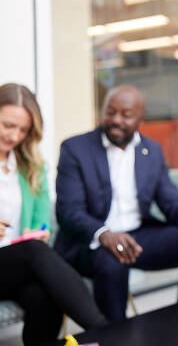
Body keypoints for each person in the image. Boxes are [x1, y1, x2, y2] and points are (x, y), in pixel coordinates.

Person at [54, 85, 178, 322]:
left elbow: (170, 200)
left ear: (141, 119)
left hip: (138, 236)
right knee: (113, 259)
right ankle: (115, 336)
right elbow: (69, 212)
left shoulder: (151, 150)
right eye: (110, 112)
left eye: (126, 115)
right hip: (90, 243)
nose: (116, 120)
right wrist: (104, 234)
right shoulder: (75, 149)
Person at [0, 83, 106, 345]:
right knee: (34, 252)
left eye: (23, 130)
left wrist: (39, 230)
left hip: (14, 265)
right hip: (20, 259)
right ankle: (106, 333)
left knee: (44, 298)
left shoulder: (30, 167)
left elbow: (41, 220)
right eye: (7, 125)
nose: (14, 136)